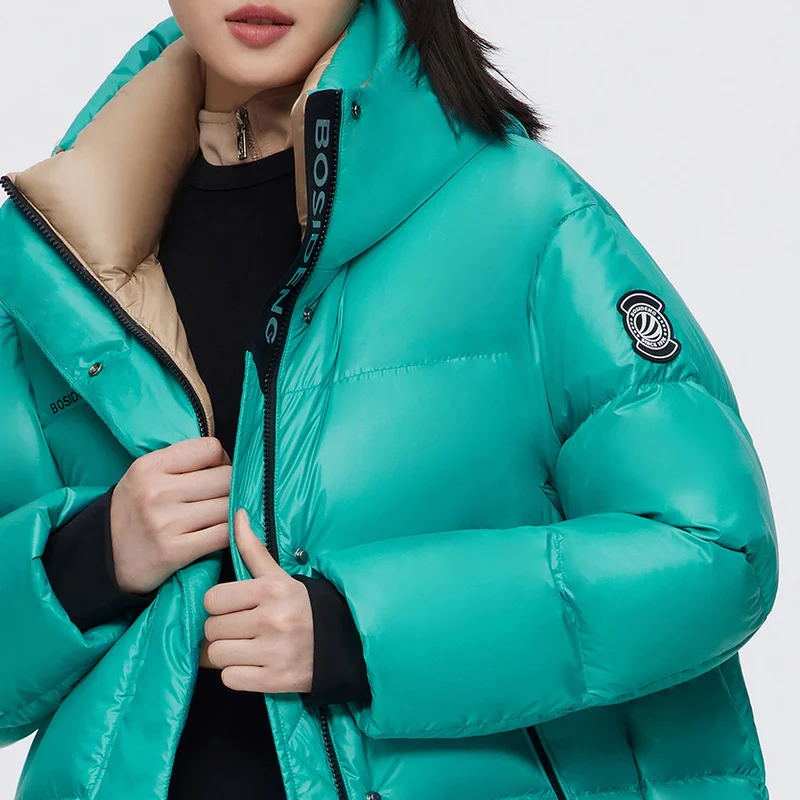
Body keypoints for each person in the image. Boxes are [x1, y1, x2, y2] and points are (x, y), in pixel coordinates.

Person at [0, 1, 779, 799]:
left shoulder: (524, 216)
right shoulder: (52, 262)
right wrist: (87, 561)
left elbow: (715, 552)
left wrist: (362, 634)